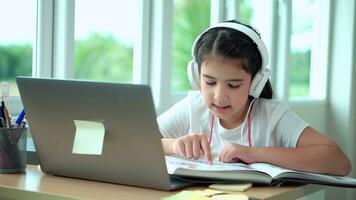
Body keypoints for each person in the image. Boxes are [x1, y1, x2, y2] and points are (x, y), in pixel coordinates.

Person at [158, 20, 351, 176]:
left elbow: (339, 162)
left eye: (233, 85)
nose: (219, 96)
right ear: (195, 75)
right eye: (209, 82)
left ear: (256, 81)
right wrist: (174, 145)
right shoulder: (194, 106)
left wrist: (255, 153)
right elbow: (134, 142)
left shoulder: (272, 115)